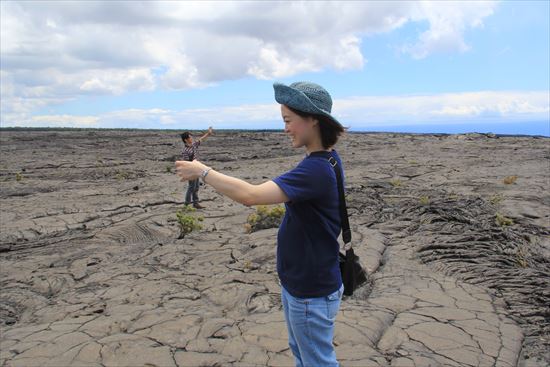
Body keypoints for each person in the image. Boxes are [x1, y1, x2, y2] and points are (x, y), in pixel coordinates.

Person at [175, 82, 346, 367]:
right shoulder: (326, 161)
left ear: (313, 119)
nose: (285, 129)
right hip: (303, 285)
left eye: (288, 121)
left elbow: (250, 196)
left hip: (310, 291)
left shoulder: (315, 170)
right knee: (304, 356)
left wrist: (202, 171)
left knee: (317, 362)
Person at [180, 127, 213, 209]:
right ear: (186, 140)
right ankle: (186, 204)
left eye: (191, 137)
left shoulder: (193, 145)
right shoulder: (185, 150)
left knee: (196, 187)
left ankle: (195, 203)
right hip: (191, 171)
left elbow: (201, 139)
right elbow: (187, 163)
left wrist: (208, 133)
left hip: (197, 169)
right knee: (191, 187)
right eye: (190, 137)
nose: (191, 138)